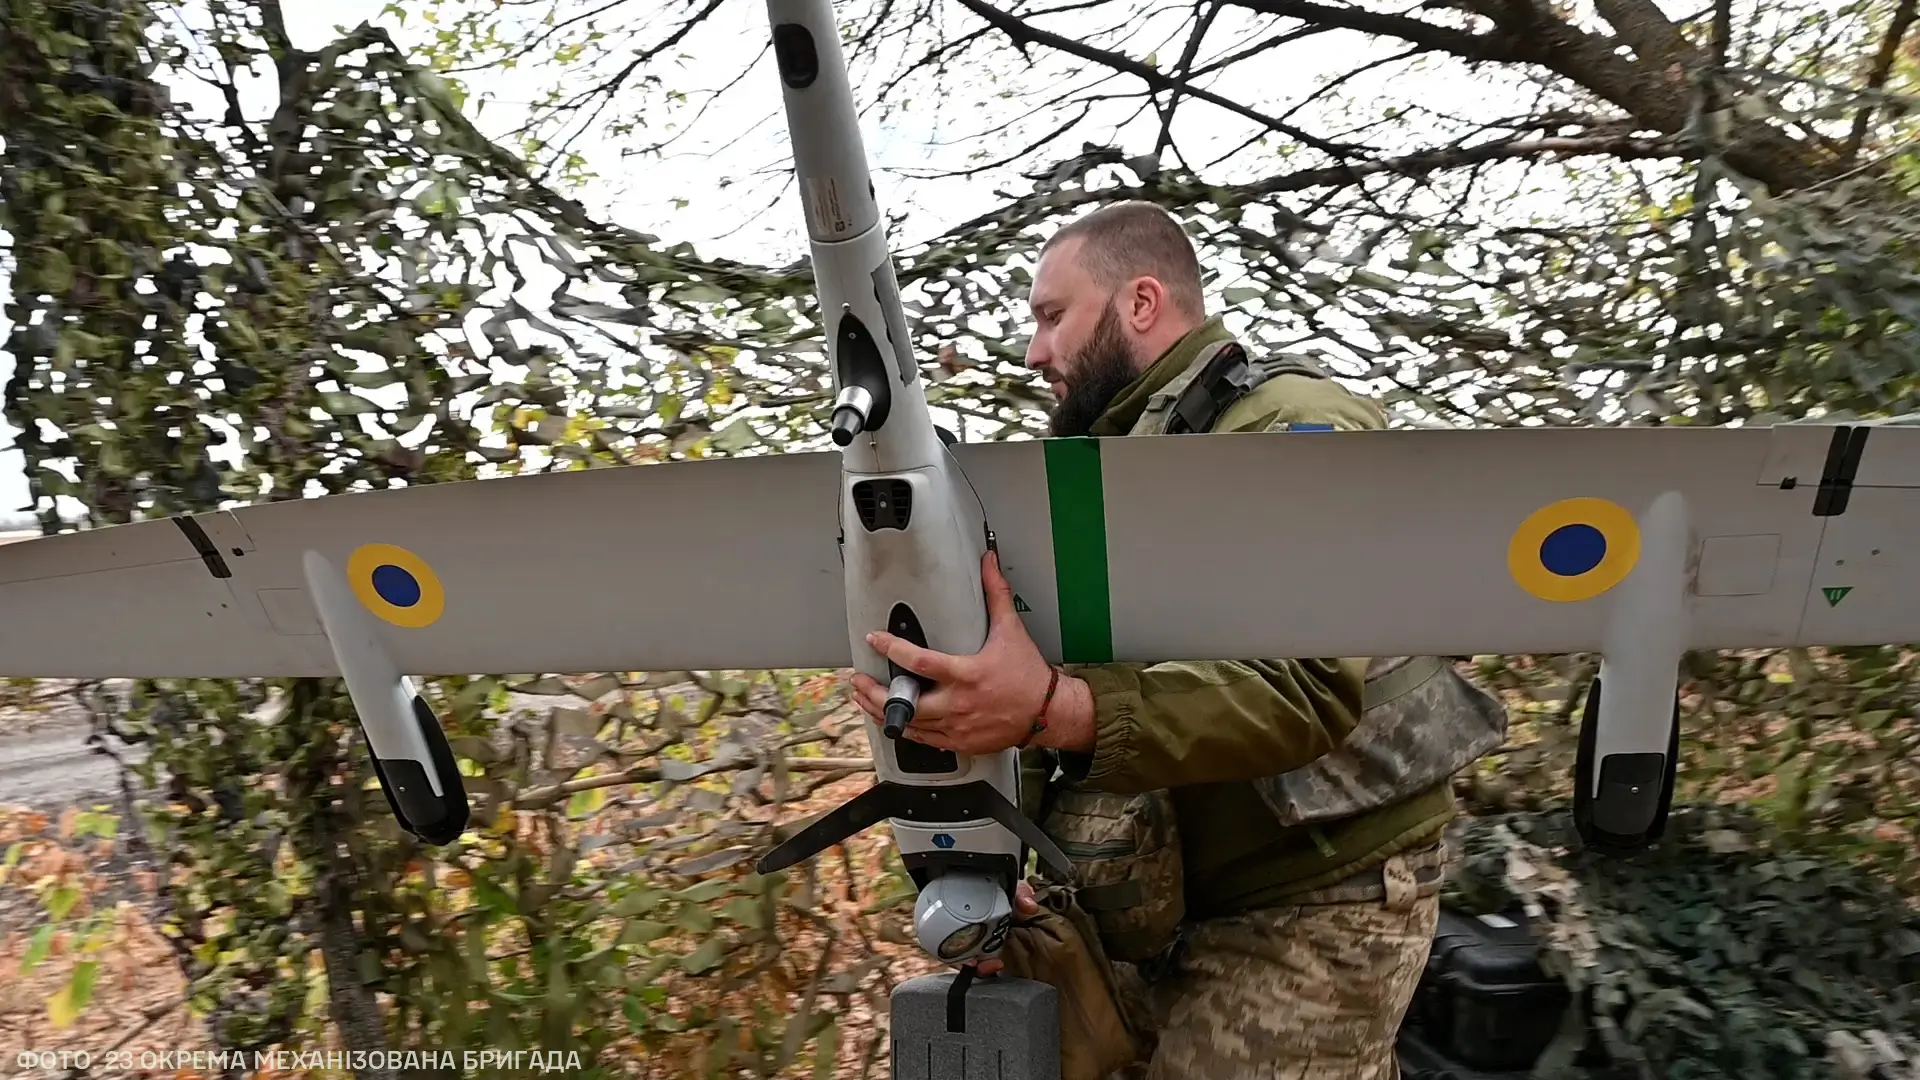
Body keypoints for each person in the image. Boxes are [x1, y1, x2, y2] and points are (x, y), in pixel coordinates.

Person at [847, 200, 1459, 1079]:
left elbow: (1305, 688)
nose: (1034, 352)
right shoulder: (1105, 462)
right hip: (1165, 889)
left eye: (1053, 316)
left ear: (1141, 303)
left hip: (1322, 883)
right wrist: (999, 871)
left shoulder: (1289, 426)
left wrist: (1050, 709)